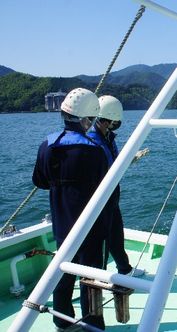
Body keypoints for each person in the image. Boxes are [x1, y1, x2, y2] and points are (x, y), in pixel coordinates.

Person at [32, 88, 109, 331]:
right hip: (92, 227)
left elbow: (40, 182)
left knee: (63, 275)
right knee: (91, 277)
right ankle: (92, 324)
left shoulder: (48, 145)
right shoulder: (95, 150)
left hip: (62, 224)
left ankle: (62, 321)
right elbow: (104, 187)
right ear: (86, 120)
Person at [87, 95, 146, 276]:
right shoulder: (93, 141)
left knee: (116, 234)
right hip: (99, 196)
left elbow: (114, 162)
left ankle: (124, 269)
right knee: (102, 239)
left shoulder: (108, 138)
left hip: (112, 193)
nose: (115, 124)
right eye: (113, 121)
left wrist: (129, 160)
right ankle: (99, 276)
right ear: (104, 120)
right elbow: (102, 169)